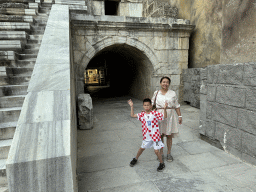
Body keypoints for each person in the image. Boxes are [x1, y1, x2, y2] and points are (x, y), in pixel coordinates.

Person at [127, 98, 168, 172]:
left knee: (156, 151)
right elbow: (132, 115)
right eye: (145, 105)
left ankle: (162, 163)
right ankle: (135, 158)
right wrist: (132, 106)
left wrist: (165, 109)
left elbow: (164, 117)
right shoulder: (142, 114)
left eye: (148, 105)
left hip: (155, 136)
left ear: (151, 106)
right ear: (143, 106)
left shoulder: (155, 113)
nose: (146, 107)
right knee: (142, 148)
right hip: (147, 136)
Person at [151, 76, 182, 162]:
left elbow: (177, 105)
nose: (165, 84)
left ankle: (169, 153)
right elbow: (152, 104)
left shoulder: (173, 93)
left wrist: (180, 116)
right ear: (160, 83)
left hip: (170, 116)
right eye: (163, 82)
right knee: (160, 135)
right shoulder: (156, 93)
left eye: (167, 82)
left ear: (169, 84)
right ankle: (161, 153)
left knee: (169, 135)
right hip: (159, 116)